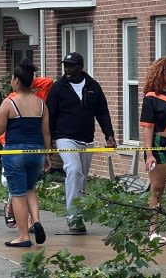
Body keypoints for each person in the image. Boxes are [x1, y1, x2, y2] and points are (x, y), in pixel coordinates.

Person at [46, 52, 116, 234]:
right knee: (74, 170)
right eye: (65, 66)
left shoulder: (93, 87)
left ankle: (79, 215)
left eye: (71, 66)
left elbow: (102, 112)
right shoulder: (58, 88)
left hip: (87, 139)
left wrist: (109, 135)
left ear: (80, 67)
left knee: (82, 177)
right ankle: (73, 218)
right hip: (64, 137)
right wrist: (48, 143)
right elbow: (50, 116)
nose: (67, 69)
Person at [0, 59, 50, 248]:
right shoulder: (41, 104)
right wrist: (47, 155)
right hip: (37, 151)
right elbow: (46, 132)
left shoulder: (9, 103)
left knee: (17, 193)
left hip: (15, 152)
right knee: (30, 188)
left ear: (16, 80)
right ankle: (37, 221)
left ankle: (23, 236)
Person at [0, 74, 54, 230]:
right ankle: (33, 220)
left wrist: (28, 80)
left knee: (20, 190)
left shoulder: (39, 100)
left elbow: (48, 82)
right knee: (26, 188)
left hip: (24, 149)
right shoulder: (12, 99)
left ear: (17, 80)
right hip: (17, 145)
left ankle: (25, 230)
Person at [139, 57, 166, 242]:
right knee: (157, 189)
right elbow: (148, 127)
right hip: (159, 144)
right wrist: (149, 153)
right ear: (161, 73)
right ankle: (152, 230)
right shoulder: (152, 97)